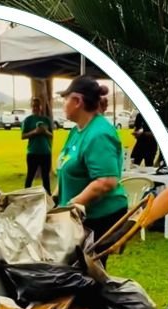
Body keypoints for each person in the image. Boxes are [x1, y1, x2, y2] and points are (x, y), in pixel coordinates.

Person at [56, 75, 130, 244]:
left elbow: (105, 181)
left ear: (77, 101)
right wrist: (54, 198)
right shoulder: (77, 130)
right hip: (78, 215)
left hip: (99, 218)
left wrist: (71, 206)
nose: (63, 105)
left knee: (87, 268)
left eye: (65, 99)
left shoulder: (99, 133)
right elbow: (67, 163)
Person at [21, 98, 55, 196]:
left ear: (41, 107)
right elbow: (23, 136)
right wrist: (34, 132)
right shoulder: (28, 120)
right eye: (33, 106)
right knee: (30, 176)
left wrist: (45, 131)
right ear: (31, 107)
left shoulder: (46, 120)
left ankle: (48, 197)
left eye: (37, 106)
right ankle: (25, 196)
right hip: (32, 153)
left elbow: (51, 135)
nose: (35, 108)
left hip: (45, 153)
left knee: (46, 177)